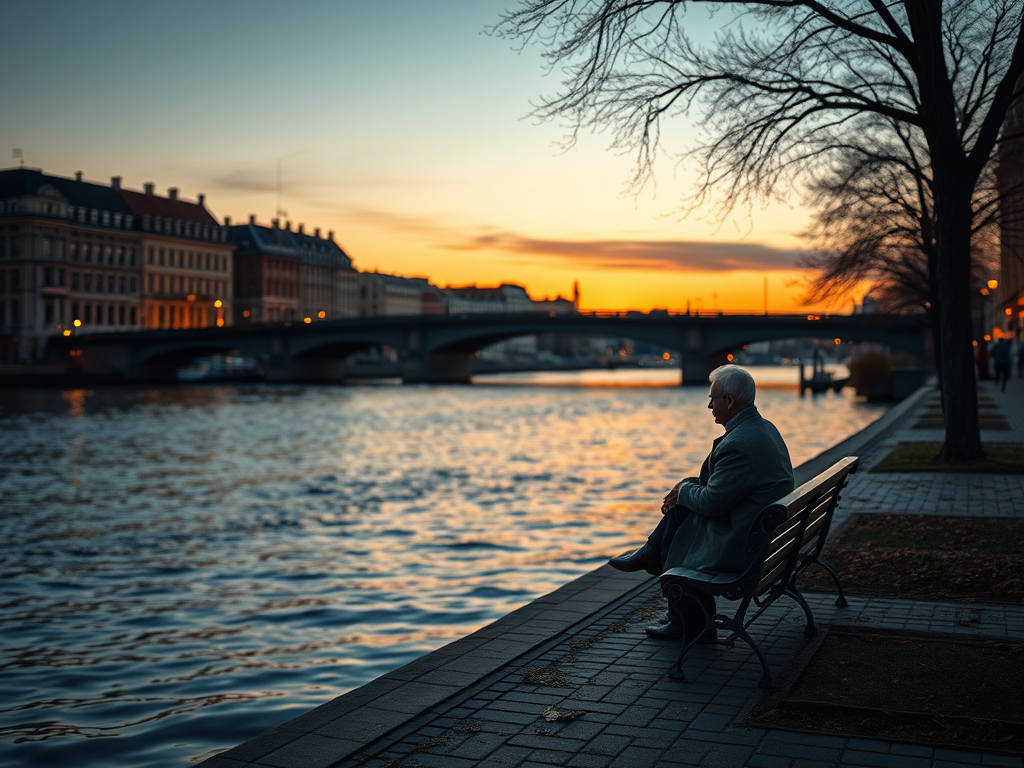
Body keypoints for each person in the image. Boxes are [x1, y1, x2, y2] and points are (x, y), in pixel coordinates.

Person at [608, 364, 794, 642]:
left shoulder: (740, 443)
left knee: (683, 525)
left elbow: (711, 503)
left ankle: (688, 621)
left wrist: (684, 490)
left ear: (728, 401)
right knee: (685, 501)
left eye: (712, 398)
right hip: (762, 533)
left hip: (742, 543)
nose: (709, 405)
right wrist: (685, 487)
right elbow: (721, 487)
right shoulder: (762, 428)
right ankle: (658, 564)